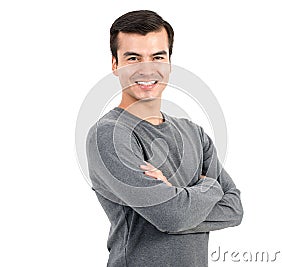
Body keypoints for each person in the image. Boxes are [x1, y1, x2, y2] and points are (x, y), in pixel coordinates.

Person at [86, 10, 243, 267]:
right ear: (115, 64)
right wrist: (210, 187)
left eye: (157, 57)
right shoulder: (109, 135)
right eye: (133, 58)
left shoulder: (194, 133)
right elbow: (172, 217)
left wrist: (177, 201)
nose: (147, 70)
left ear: (169, 62)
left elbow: (234, 209)